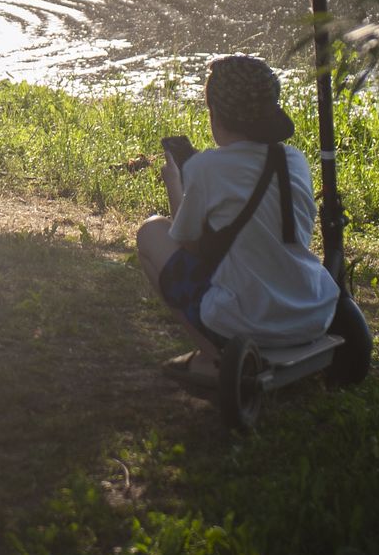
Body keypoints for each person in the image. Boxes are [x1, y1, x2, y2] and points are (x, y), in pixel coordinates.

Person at [136, 55, 339, 369]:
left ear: (215, 113)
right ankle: (224, 356)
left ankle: (213, 358)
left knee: (151, 232)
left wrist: (174, 182)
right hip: (312, 313)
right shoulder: (295, 160)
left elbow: (187, 243)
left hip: (247, 320)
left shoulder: (206, 167)